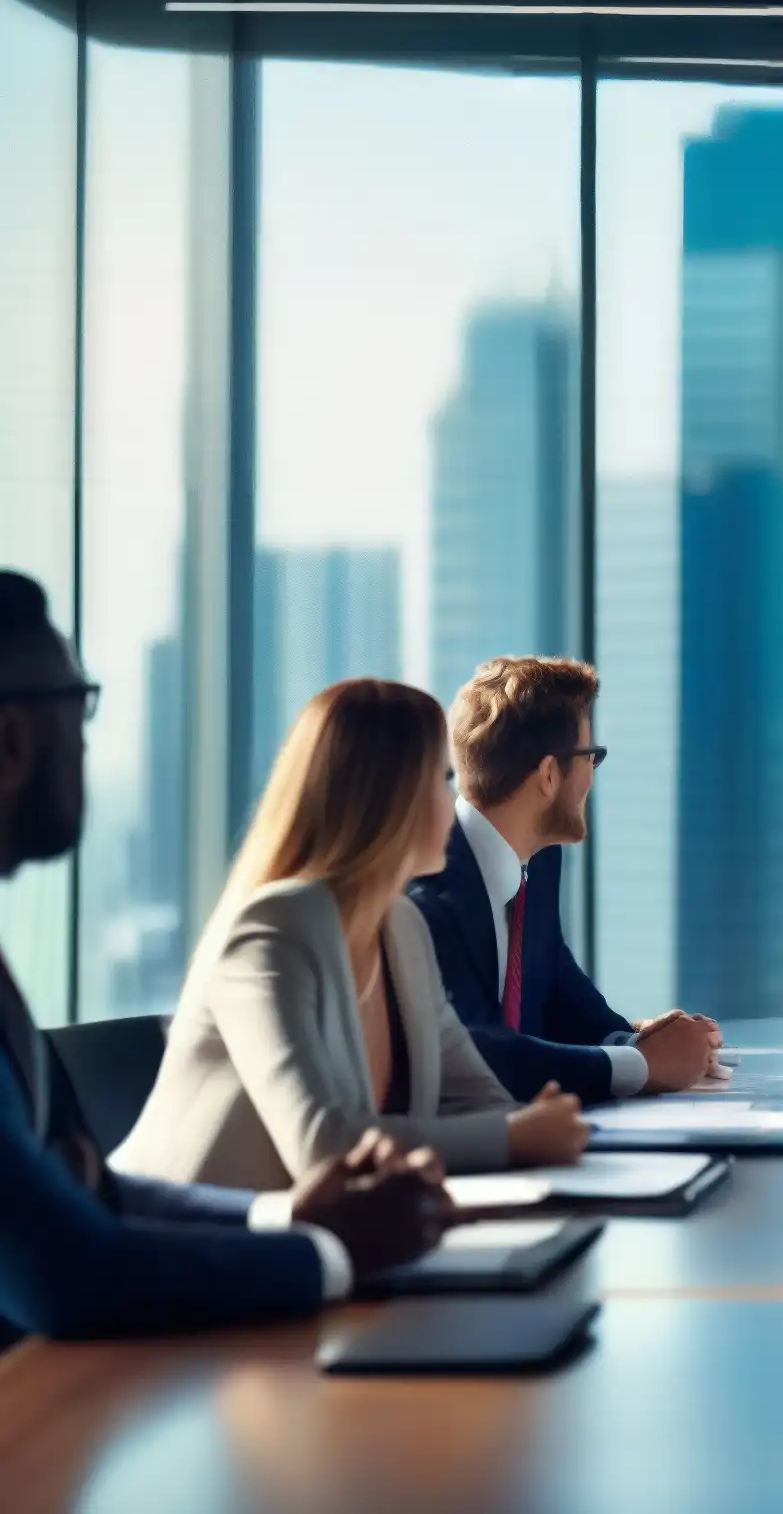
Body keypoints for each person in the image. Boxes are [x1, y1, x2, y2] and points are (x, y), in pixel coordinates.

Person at [0, 571, 448, 1343]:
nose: (84, 734)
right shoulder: (277, 925)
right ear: (13, 737)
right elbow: (68, 1271)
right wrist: (325, 1252)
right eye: (77, 704)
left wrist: (284, 1217)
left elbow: (96, 1193)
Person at [113, 679, 590, 1192]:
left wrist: (520, 1129)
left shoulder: (403, 930)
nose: (453, 800)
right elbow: (322, 1145)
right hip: (181, 1256)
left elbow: (480, 1102)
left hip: (328, 1251)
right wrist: (513, 1138)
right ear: (391, 797)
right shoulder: (272, 930)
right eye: (443, 778)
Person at [408, 657, 720, 1103]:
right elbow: (478, 1051)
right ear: (550, 775)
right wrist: (643, 1066)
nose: (593, 773)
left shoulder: (536, 860)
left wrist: (644, 1042)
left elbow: (558, 992)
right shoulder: (430, 885)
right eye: (590, 756)